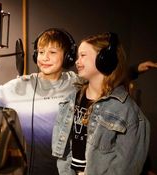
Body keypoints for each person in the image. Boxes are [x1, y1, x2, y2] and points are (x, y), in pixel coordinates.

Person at [0, 28, 154, 175]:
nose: (44, 57)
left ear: (68, 57)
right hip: (39, 166)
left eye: (53, 52)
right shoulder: (21, 86)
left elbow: (104, 79)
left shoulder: (76, 81)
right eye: (41, 52)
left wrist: (134, 70)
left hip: (74, 165)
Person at [52, 32, 150, 175]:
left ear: (105, 59)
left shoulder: (127, 111)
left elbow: (127, 167)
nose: (77, 62)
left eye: (83, 55)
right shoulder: (71, 100)